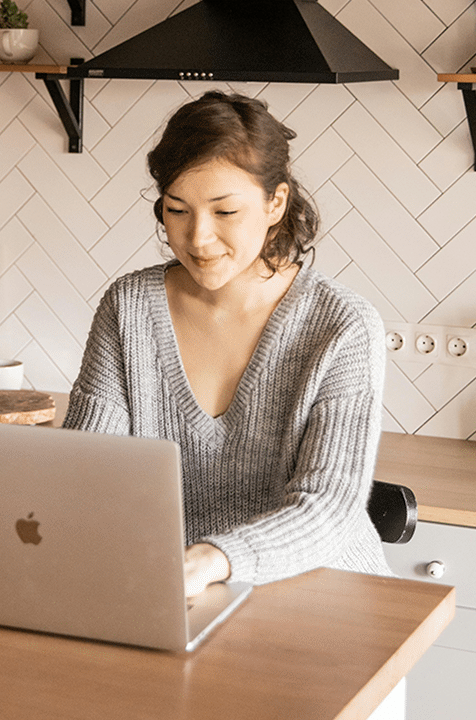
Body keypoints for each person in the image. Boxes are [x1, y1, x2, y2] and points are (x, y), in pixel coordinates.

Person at [63, 90, 392, 598]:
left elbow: (327, 508)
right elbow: (89, 470)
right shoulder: (128, 307)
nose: (197, 237)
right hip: (175, 591)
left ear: (275, 203)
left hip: (324, 598)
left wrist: (215, 559)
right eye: (177, 210)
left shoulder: (342, 325)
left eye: (225, 211)